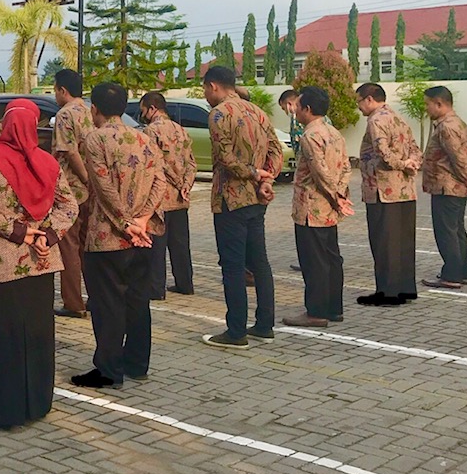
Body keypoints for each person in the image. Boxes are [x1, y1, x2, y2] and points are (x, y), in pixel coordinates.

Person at [0, 99, 76, 426]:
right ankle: (38, 403)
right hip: (40, 261)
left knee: (3, 337)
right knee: (37, 335)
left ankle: (3, 411)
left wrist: (20, 232)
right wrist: (46, 235)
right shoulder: (47, 162)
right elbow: (69, 207)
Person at [73, 83, 165, 388]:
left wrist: (127, 223)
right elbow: (160, 182)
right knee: (138, 301)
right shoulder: (144, 137)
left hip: (107, 237)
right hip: (144, 235)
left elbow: (103, 186)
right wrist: (144, 218)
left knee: (107, 304)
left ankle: (109, 369)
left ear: (94, 109)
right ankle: (137, 363)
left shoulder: (95, 138)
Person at [200, 66, 283, 350]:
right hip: (257, 199)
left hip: (231, 199)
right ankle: (265, 325)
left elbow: (225, 158)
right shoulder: (257, 111)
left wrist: (254, 174)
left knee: (233, 267)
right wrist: (266, 179)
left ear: (213, 86)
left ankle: (236, 331)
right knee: (259, 263)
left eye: (205, 89)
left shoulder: (218, 114)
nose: (205, 95)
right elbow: (275, 150)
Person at [282, 86, 353, 327]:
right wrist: (340, 194)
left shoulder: (310, 136)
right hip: (330, 208)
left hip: (312, 208)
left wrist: (335, 196)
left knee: (314, 262)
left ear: (308, 109)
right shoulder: (334, 133)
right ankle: (334, 308)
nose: (295, 110)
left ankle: (316, 311)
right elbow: (346, 167)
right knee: (331, 257)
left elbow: (320, 172)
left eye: (298, 106)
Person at [356, 83, 422, 306]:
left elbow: (382, 153)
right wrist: (411, 164)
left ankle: (388, 293)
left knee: (384, 244)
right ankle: (405, 289)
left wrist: (403, 164)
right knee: (403, 243)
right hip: (405, 191)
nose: (358, 107)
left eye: (359, 101)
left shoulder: (376, 120)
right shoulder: (398, 118)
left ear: (369, 99)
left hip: (383, 191)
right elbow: (416, 149)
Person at [421, 86, 467, 290]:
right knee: (457, 230)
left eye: (428, 104)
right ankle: (462, 273)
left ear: (439, 103)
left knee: (446, 232)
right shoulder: (460, 123)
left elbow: (459, 158)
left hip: (447, 187)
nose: (426, 109)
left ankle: (452, 275)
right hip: (456, 186)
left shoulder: (447, 127)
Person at [139, 92, 197, 298]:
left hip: (161, 197)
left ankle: (156, 289)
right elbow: (191, 163)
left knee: (157, 245)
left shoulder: (150, 131)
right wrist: (186, 184)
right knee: (180, 244)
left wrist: (176, 181)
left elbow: (156, 163)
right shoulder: (181, 130)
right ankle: (185, 283)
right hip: (181, 198)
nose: (142, 115)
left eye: (143, 110)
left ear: (152, 109)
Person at [52, 69, 94, 318]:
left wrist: (85, 178)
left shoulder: (65, 114)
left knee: (69, 247)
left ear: (63, 90)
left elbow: (69, 151)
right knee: (88, 248)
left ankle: (73, 303)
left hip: (71, 189)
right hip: (91, 191)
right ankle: (96, 297)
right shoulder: (90, 112)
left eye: (55, 90)